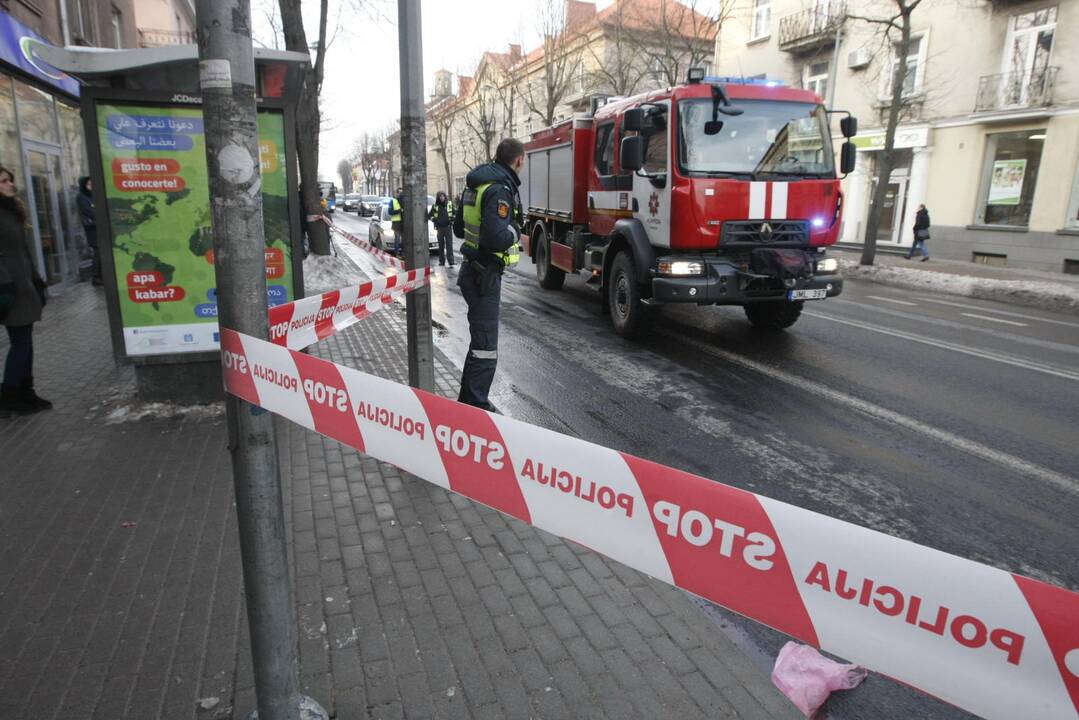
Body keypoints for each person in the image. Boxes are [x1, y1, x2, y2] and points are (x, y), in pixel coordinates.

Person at [453, 139, 524, 411]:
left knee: (479, 340)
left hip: (471, 270)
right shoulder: (499, 190)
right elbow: (496, 238)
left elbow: (459, 229)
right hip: (485, 275)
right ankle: (475, 406)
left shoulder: (475, 185)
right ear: (518, 160)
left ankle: (469, 400)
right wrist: (516, 233)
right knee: (485, 345)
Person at [0, 166, 50, 415]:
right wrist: (5, 284)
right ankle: (8, 396)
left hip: (23, 285)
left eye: (10, 180)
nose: (10, 184)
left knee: (26, 342)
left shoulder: (11, 211)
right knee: (20, 342)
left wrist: (37, 280)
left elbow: (23, 251)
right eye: (3, 181)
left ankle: (25, 392)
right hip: (8, 287)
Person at [77, 176, 102, 285]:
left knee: (101, 252)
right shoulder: (81, 197)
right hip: (92, 229)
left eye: (92, 184)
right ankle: (96, 277)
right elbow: (89, 211)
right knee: (98, 252)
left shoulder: (95, 196)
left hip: (99, 228)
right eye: (88, 185)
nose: (91, 187)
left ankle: (100, 275)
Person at [427, 190, 455, 267]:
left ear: (445, 197)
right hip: (439, 228)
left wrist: (452, 219)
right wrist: (434, 220)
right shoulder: (435, 206)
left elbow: (455, 214)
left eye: (443, 196)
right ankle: (441, 261)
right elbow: (429, 215)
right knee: (441, 245)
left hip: (448, 227)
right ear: (438, 198)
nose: (442, 198)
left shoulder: (449, 204)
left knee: (449, 245)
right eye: (440, 197)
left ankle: (451, 261)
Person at [389, 188, 404, 255]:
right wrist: (399, 210)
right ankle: (396, 253)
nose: (400, 194)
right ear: (397, 193)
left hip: (403, 222)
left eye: (402, 193)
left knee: (404, 239)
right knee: (397, 239)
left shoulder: (403, 201)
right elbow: (390, 212)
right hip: (396, 223)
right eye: (399, 193)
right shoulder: (393, 201)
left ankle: (403, 252)